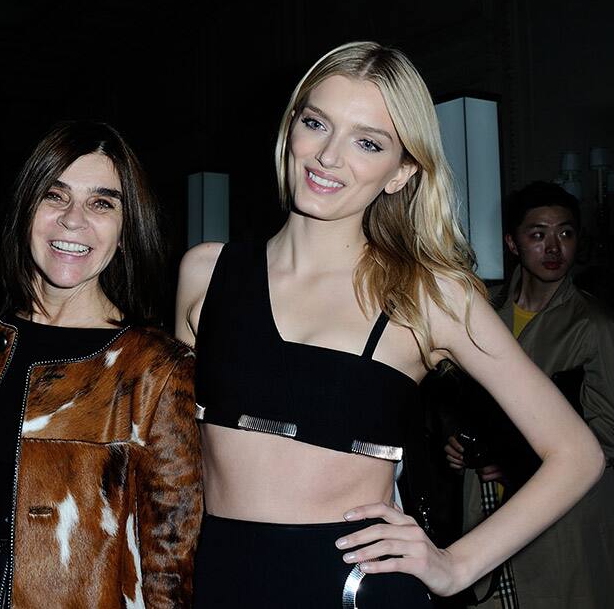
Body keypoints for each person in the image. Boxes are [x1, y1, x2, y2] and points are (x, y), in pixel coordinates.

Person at [176, 41, 605, 607]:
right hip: (216, 580)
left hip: (356, 590)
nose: (329, 157)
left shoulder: (428, 295)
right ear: (291, 129)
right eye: (316, 123)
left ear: (401, 172)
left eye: (367, 142)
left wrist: (455, 565)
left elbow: (577, 454)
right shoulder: (206, 272)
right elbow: (174, 455)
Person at [0, 121, 203, 609]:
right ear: (27, 209)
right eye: (55, 195)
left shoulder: (155, 368)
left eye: (102, 203)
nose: (73, 220)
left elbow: (170, 565)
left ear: (126, 230)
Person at [444, 182, 614, 608]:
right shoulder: (484, 316)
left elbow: (607, 433)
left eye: (566, 233)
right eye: (538, 234)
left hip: (562, 515)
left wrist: (518, 461)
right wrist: (457, 443)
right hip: (482, 508)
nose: (554, 247)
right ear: (513, 243)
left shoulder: (592, 325)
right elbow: (468, 405)